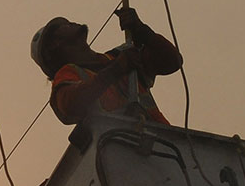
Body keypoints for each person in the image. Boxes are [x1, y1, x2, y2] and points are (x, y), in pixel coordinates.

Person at [30, 8, 182, 125]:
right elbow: (71, 104)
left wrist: (141, 30)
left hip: (167, 146)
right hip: (121, 151)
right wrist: (116, 70)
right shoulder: (67, 75)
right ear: (54, 45)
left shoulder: (119, 56)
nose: (68, 23)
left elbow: (172, 61)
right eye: (61, 27)